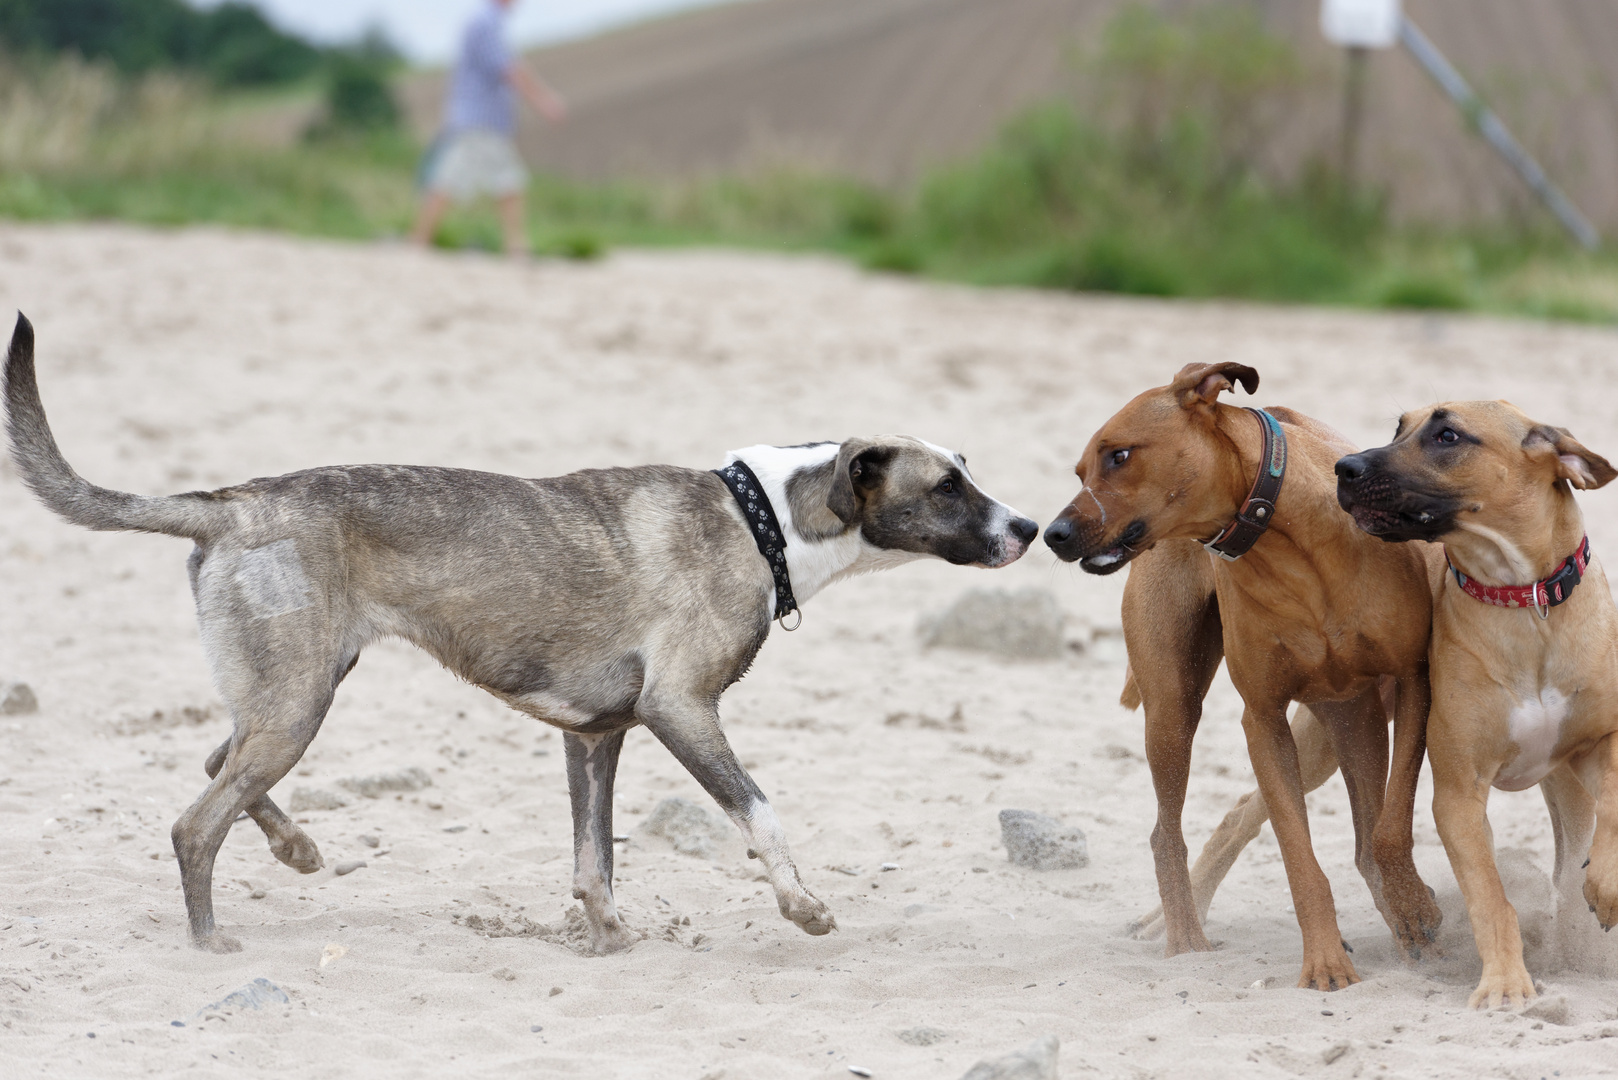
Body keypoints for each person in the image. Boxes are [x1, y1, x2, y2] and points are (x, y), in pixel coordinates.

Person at [411, 0, 567, 256]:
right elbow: (511, 70)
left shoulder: (485, 20)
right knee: (505, 179)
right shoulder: (485, 22)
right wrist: (544, 102)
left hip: (477, 119)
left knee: (460, 179)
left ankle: (421, 239)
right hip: (481, 121)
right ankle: (515, 244)